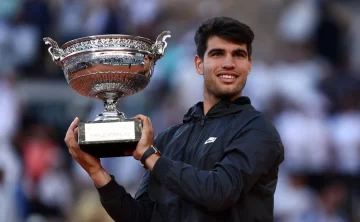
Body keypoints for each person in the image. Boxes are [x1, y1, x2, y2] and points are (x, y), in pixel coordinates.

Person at [65, 17, 285, 222]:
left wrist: (150, 157)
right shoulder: (170, 138)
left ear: (249, 65)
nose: (229, 63)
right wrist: (96, 172)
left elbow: (219, 192)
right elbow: (142, 217)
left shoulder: (257, 130)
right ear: (199, 64)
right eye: (217, 54)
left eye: (238, 55)